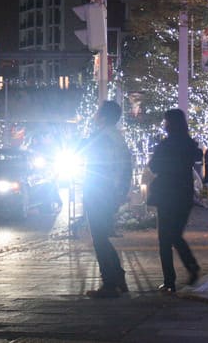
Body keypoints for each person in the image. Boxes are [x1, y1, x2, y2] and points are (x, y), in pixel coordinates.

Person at [147, 109, 202, 293]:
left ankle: (170, 279)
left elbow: (154, 166)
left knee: (165, 237)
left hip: (166, 194)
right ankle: (191, 265)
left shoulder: (166, 145)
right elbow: (197, 157)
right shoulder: (189, 144)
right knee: (175, 233)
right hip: (183, 193)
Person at [82, 100, 133, 298]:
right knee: (101, 235)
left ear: (102, 116)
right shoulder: (117, 136)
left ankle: (110, 282)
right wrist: (121, 191)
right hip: (109, 191)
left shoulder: (102, 137)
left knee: (99, 237)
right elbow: (126, 167)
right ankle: (116, 276)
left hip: (98, 191)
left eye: (97, 112)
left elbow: (97, 166)